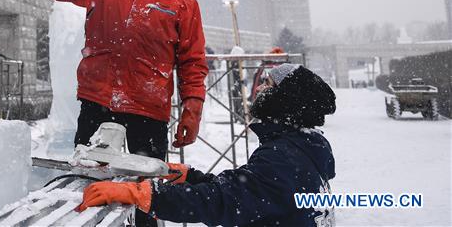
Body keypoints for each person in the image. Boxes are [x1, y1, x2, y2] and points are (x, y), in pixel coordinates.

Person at [36, 0, 208, 225]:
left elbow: (192, 61)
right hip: (97, 102)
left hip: (148, 110)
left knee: (144, 195)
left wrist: (192, 107)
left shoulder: (182, 1)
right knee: (86, 186)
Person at [77, 64, 337, 227]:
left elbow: (225, 202)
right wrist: (193, 177)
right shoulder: (302, 147)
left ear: (286, 100)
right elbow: (251, 190)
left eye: (268, 85)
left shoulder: (285, 157)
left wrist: (145, 195)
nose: (258, 90)